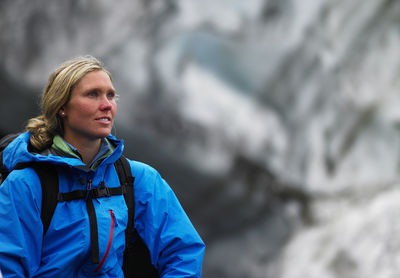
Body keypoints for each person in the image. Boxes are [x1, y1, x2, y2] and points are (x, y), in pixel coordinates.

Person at [0, 56, 205, 277]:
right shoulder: (26, 184)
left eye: (111, 95)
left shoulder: (139, 179)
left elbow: (183, 252)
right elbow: (10, 268)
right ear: (61, 107)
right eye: (92, 94)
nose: (107, 104)